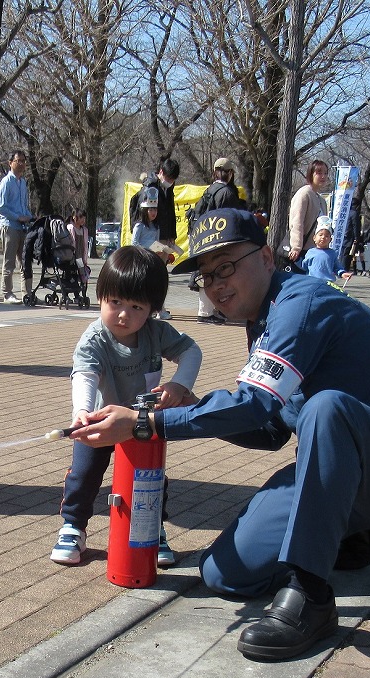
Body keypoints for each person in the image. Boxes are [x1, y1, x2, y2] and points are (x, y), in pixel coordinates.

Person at [70, 209, 370, 662]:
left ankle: (310, 594)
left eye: (227, 266)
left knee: (328, 407)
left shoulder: (299, 304)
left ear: (268, 256)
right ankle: (347, 528)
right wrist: (188, 407)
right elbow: (270, 428)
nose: (216, 284)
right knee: (224, 574)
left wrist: (143, 423)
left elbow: (255, 404)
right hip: (350, 474)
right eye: (206, 277)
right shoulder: (264, 321)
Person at [51, 246, 202, 569]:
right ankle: (73, 527)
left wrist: (179, 385)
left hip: (141, 424)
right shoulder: (94, 339)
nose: (123, 315)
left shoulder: (155, 333)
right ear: (101, 296)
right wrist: (81, 412)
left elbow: (191, 352)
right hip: (99, 422)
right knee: (84, 474)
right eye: (115, 302)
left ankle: (152, 529)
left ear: (153, 309)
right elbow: (85, 376)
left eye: (136, 307)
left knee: (150, 478)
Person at [189, 157, 243, 324]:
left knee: (206, 273)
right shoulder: (227, 193)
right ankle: (206, 313)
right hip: (217, 238)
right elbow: (229, 218)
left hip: (201, 236)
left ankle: (207, 311)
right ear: (230, 173)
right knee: (213, 274)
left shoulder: (210, 190)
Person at [0, 149, 31, 304]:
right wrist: (18, 217)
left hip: (23, 227)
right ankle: (7, 293)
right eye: (18, 161)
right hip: (9, 226)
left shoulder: (23, 183)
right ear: (10, 163)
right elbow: (0, 207)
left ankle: (27, 293)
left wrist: (30, 216)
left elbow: (24, 206)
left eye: (23, 161)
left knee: (25, 261)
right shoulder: (6, 182)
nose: (22, 164)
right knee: (9, 261)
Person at [287, 160, 330, 263]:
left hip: (317, 251)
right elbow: (297, 222)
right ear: (311, 174)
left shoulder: (322, 200)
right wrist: (296, 247)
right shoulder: (304, 193)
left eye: (325, 173)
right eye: (319, 173)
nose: (323, 176)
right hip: (303, 251)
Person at [129, 158, 180, 247]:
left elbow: (171, 212)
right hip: (150, 236)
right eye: (168, 178)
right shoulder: (150, 188)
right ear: (161, 172)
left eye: (172, 180)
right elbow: (143, 213)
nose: (170, 182)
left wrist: (172, 235)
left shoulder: (169, 189)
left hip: (164, 236)